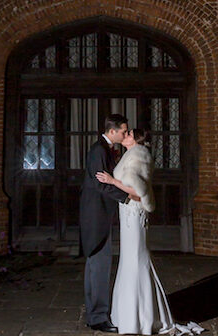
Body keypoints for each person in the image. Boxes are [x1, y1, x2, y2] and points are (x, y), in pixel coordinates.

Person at [97, 129, 203, 336]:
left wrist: (113, 182)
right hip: (127, 212)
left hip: (134, 212)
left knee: (137, 258)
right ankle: (129, 316)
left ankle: (143, 318)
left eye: (129, 134)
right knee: (129, 259)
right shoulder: (131, 154)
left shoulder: (139, 155)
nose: (125, 135)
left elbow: (139, 192)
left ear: (136, 140)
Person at [80, 113, 130, 332]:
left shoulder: (103, 149)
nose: (125, 135)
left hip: (99, 213)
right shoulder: (99, 150)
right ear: (112, 131)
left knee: (97, 265)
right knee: (99, 265)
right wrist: (128, 197)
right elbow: (100, 184)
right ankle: (98, 317)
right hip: (96, 214)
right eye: (123, 131)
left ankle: (95, 315)